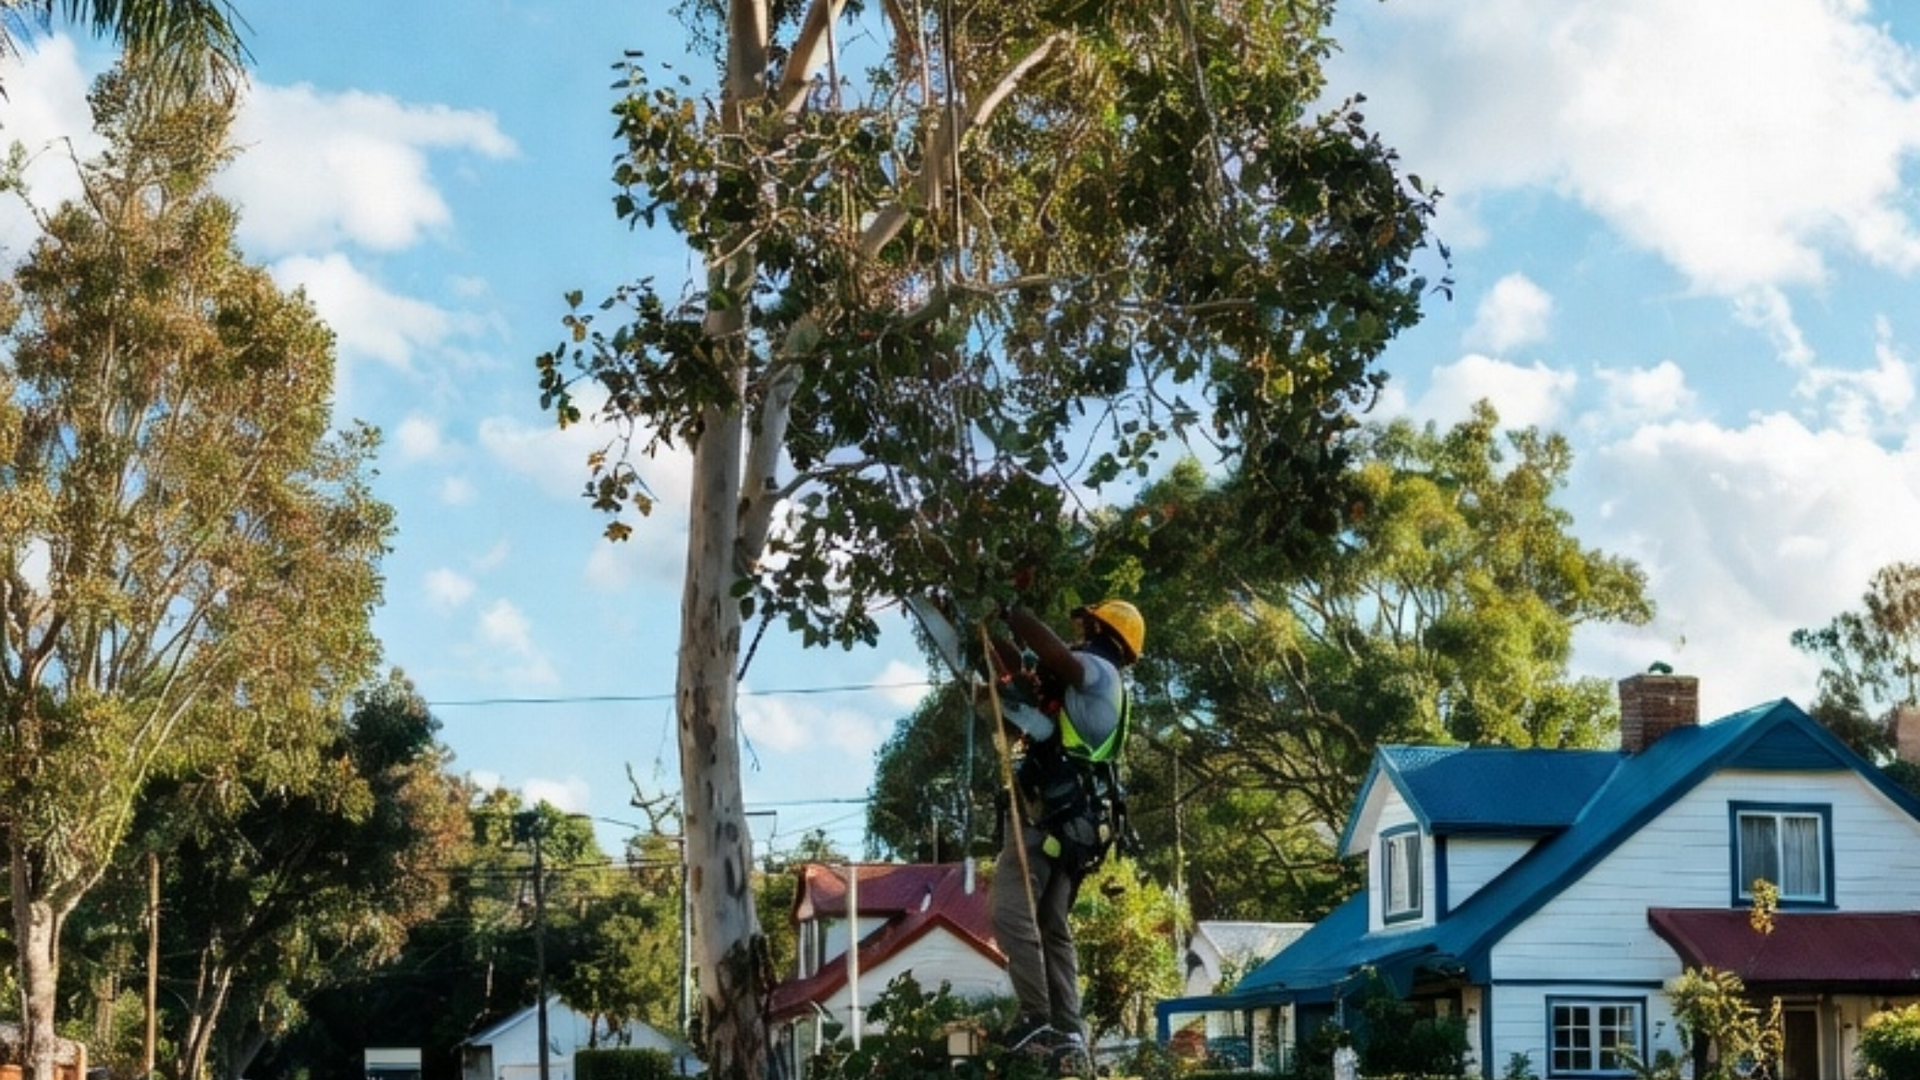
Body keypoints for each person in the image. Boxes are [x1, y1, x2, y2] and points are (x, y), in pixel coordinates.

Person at [984, 598, 1144, 1058]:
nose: (1079, 634)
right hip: (1077, 827)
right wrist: (988, 628)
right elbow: (1025, 668)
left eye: (1087, 627)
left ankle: (1036, 1017)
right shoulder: (1083, 693)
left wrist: (1012, 609)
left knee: (1010, 911)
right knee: (1051, 924)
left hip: (1055, 821)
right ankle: (1068, 1028)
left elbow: (1054, 656)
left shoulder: (1098, 672)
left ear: (1101, 633)